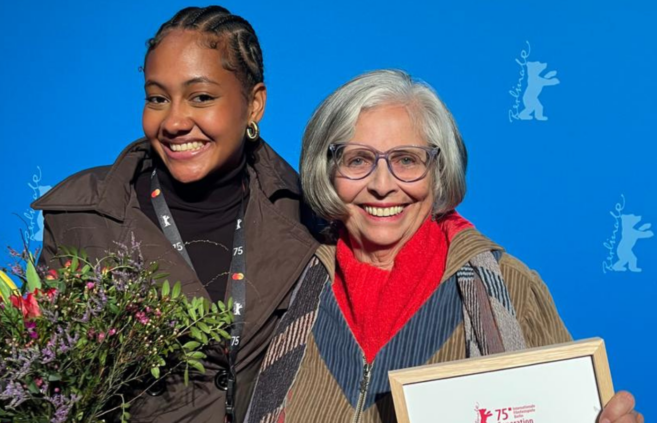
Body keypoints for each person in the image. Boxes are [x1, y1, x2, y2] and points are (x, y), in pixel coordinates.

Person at [245, 69, 643, 423]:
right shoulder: (289, 283)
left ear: (438, 172)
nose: (382, 185)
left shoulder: (510, 289)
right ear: (326, 171)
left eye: (406, 160)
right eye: (357, 160)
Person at [32, 6, 318, 423]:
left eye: (201, 97)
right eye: (157, 98)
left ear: (254, 104)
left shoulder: (311, 213)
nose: (174, 121)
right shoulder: (81, 218)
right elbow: (49, 381)